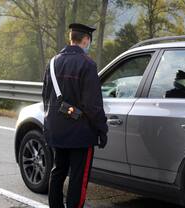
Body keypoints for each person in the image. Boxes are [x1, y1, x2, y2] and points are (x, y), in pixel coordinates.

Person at [41, 23, 108, 208]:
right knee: (79, 178)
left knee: (58, 172)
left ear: (71, 38)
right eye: (89, 41)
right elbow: (93, 105)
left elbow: (46, 97)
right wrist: (102, 130)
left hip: (56, 130)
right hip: (81, 133)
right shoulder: (87, 64)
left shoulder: (53, 62)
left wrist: (49, 125)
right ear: (86, 39)